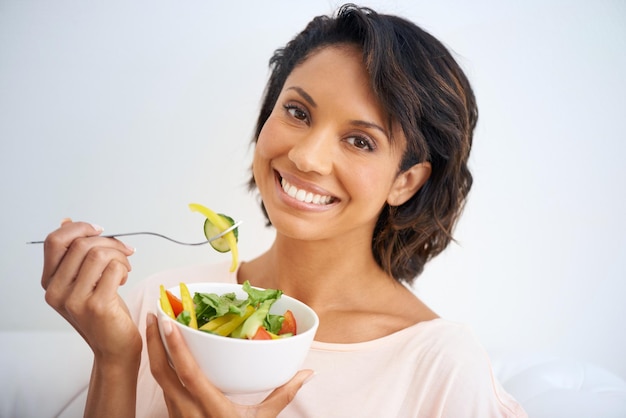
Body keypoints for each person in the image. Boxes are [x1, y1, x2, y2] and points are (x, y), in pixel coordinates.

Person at [40, 4, 527, 417]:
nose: (306, 157)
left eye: (360, 141)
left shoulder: (439, 364)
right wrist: (115, 359)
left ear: (405, 181)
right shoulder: (163, 304)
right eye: (297, 112)